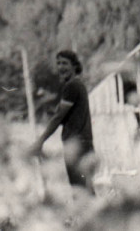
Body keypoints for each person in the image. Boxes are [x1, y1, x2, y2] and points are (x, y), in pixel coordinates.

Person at [29, 50, 95, 190]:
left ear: (74, 66)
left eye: (65, 63)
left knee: (80, 190)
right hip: (83, 143)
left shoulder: (72, 86)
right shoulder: (78, 85)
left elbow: (59, 116)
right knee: (84, 189)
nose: (61, 67)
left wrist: (40, 141)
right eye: (58, 63)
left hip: (77, 145)